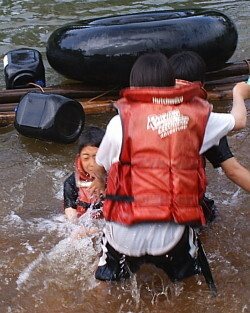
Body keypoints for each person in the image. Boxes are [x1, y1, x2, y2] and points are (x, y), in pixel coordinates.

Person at [90, 52, 249, 294]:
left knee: (107, 288)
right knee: (188, 288)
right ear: (170, 85)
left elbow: (102, 166)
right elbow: (239, 121)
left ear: (133, 87)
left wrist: (101, 182)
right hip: (171, 238)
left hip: (122, 234)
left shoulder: (118, 123)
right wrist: (238, 93)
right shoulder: (195, 119)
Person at [169, 50, 250, 192]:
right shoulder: (204, 121)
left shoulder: (135, 116)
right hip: (178, 207)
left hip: (135, 205)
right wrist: (238, 93)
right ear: (202, 84)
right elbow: (233, 172)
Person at [64, 126, 105, 223]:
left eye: (97, 157)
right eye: (86, 158)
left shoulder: (116, 178)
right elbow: (71, 217)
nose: (92, 164)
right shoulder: (71, 183)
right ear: (80, 157)